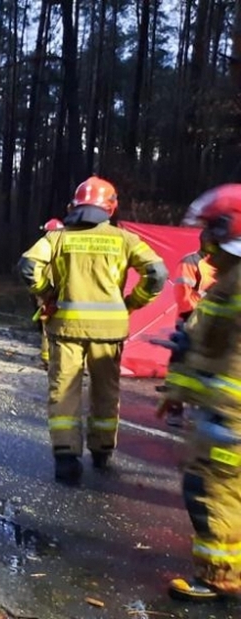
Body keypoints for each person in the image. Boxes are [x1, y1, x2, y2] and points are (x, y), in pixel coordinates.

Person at [18, 175, 168, 485]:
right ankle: (102, 452)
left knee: (64, 390)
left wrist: (47, 294)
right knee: (106, 390)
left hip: (66, 326)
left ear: (74, 206)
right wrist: (132, 302)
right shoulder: (124, 239)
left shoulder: (56, 238)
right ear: (111, 207)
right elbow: (157, 272)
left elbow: (28, 266)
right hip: (109, 330)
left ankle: (66, 459)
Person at [155, 184, 241, 602]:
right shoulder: (229, 281)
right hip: (224, 410)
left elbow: (215, 352)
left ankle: (219, 578)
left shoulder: (235, 285)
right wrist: (178, 390)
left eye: (211, 229)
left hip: (230, 416)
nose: (205, 239)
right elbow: (205, 347)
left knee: (209, 489)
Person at [161, 247, 218, 427]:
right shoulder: (191, 261)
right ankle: (175, 409)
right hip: (190, 322)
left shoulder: (227, 263)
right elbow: (183, 295)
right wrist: (194, 319)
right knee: (180, 367)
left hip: (214, 325)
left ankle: (201, 408)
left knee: (207, 369)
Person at [35, 218, 66, 370]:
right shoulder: (67, 250)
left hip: (48, 296)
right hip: (67, 296)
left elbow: (33, 272)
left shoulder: (45, 250)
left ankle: (47, 359)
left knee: (48, 329)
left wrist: (41, 294)